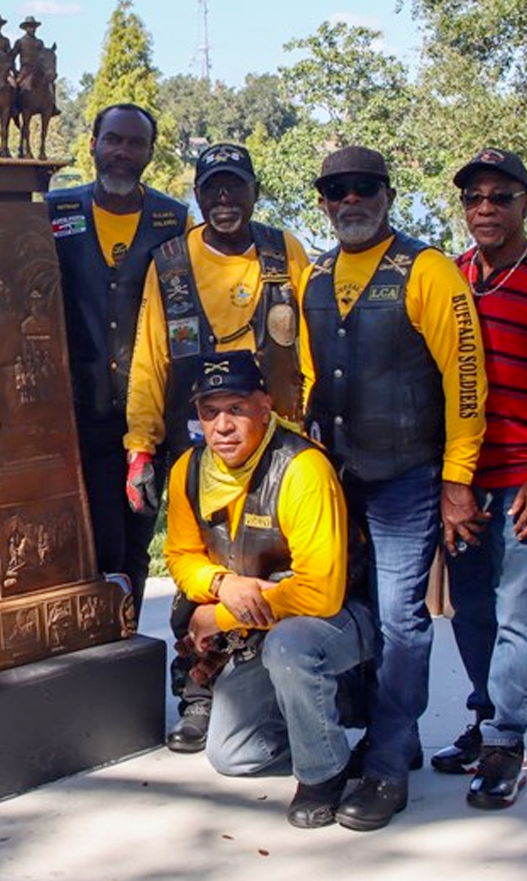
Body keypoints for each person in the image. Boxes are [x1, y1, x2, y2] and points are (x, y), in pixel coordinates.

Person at [299, 145, 487, 830]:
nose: (351, 200)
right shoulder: (315, 275)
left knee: (403, 620)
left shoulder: (427, 270)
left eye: (364, 187)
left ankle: (386, 765)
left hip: (408, 476)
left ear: (387, 194)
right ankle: (387, 735)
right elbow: (306, 378)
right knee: (352, 612)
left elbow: (467, 380)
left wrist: (458, 478)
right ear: (324, 203)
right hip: (339, 478)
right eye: (337, 190)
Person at [125, 142, 308, 752]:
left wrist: (310, 433)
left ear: (255, 190)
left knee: (275, 563)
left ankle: (280, 689)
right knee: (199, 566)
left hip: (278, 441)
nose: (224, 199)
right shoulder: (171, 262)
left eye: (236, 186)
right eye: (212, 188)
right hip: (200, 440)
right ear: (198, 195)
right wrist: (140, 446)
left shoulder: (284, 253)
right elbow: (150, 358)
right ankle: (198, 693)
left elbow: (310, 345)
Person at [165, 351, 373, 828]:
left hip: (336, 622)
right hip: (262, 624)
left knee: (290, 646)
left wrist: (220, 614)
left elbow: (320, 594)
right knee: (232, 755)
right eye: (209, 412)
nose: (222, 426)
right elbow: (179, 554)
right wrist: (221, 584)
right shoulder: (188, 471)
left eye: (236, 409)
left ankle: (323, 774)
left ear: (265, 406)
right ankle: (322, 732)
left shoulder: (302, 468)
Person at [47, 104, 187, 623]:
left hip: (147, 412)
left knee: (135, 538)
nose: (123, 152)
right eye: (113, 140)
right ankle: (95, 639)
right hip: (77, 411)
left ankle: (125, 641)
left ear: (150, 152)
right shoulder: (56, 211)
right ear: (93, 144)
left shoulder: (173, 219)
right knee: (94, 540)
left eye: (135, 143)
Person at [430, 148, 527, 809]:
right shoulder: (452, 276)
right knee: (470, 610)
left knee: (517, 613)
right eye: (474, 198)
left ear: (523, 203)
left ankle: (507, 741)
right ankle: (486, 716)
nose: (485, 208)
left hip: (519, 478)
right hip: (462, 480)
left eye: (501, 196)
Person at [13, 16, 46, 85]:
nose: (32, 29)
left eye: (34, 27)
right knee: (15, 86)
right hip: (25, 71)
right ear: (25, 28)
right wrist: (15, 71)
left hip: (38, 71)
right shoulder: (20, 42)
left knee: (49, 85)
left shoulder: (39, 42)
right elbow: (12, 57)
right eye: (30, 27)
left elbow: (43, 58)